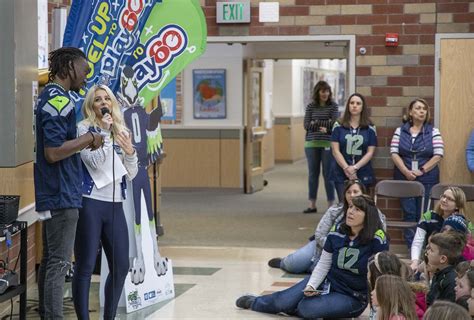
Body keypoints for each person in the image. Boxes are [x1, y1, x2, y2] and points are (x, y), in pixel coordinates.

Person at [236, 195, 388, 319]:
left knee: (307, 309)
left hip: (352, 296)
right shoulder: (337, 231)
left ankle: (296, 307)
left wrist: (376, 308)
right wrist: (312, 285)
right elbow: (324, 263)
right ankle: (254, 302)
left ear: (368, 216)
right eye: (350, 208)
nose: (350, 212)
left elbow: (379, 275)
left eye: (357, 210)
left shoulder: (377, 238)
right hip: (327, 282)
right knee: (282, 301)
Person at [34, 47, 103, 319]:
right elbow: (52, 152)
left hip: (56, 192)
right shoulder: (59, 100)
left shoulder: (52, 96)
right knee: (59, 264)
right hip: (61, 193)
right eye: (84, 71)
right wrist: (88, 139)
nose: (86, 77)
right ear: (70, 67)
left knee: (52, 261)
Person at [72, 85, 138, 319]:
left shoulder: (121, 129)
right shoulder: (83, 129)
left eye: (106, 99)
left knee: (120, 265)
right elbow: (94, 162)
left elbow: (130, 173)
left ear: (112, 104)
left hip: (115, 204)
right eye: (97, 99)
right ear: (91, 106)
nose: (103, 103)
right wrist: (106, 136)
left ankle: (108, 317)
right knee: (86, 265)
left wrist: (130, 151)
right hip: (90, 203)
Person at [268, 180, 386, 274]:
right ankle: (283, 262)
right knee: (293, 265)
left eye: (356, 192)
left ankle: (312, 266)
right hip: (322, 246)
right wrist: (335, 247)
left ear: (363, 194)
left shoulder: (375, 214)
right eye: (348, 192)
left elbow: (380, 238)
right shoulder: (335, 210)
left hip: (356, 251)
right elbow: (319, 235)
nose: (352, 195)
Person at [390, 98, 444, 247]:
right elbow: (394, 153)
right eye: (418, 108)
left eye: (424, 109)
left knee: (424, 215)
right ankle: (411, 248)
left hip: (427, 179)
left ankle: (422, 249)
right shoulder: (400, 131)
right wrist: (406, 171)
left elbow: (438, 154)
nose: (422, 111)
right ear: (410, 112)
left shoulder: (433, 131)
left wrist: (421, 170)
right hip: (404, 178)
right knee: (409, 214)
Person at [331, 93, 377, 201]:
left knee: (362, 206)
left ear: (363, 107)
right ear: (348, 106)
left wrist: (355, 168)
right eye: (352, 103)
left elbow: (370, 152)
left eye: (358, 103)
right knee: (344, 205)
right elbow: (335, 150)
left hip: (362, 171)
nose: (354, 106)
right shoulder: (338, 125)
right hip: (341, 171)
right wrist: (346, 168)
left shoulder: (370, 127)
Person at [410, 187, 468, 271]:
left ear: (457, 205)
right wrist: (415, 262)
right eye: (443, 196)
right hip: (431, 259)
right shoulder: (428, 216)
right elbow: (418, 241)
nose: (444, 200)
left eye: (450, 199)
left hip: (452, 263)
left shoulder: (461, 222)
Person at [302, 81, 339, 213]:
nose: (325, 94)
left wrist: (315, 122)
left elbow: (335, 123)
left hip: (328, 144)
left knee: (328, 175)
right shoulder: (311, 106)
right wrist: (324, 123)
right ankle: (312, 204)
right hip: (311, 144)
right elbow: (306, 125)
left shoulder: (333, 106)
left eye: (327, 91)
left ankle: (330, 205)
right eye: (323, 91)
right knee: (313, 174)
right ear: (318, 92)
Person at [425, 231, 465, 306]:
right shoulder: (438, 274)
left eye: (431, 250)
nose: (427, 253)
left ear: (443, 258)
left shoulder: (451, 282)